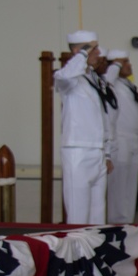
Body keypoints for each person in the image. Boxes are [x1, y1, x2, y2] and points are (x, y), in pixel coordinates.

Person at [55, 30, 114, 224]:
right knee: (78, 215)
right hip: (77, 151)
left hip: (96, 151)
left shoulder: (93, 80)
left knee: (98, 214)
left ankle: (95, 252)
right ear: (78, 51)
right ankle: (78, 254)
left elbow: (102, 119)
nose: (98, 53)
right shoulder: (69, 80)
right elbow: (63, 76)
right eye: (93, 48)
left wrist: (106, 153)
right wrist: (82, 54)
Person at [103, 49, 138, 223]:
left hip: (134, 139)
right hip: (120, 139)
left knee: (130, 184)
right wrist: (115, 66)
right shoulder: (110, 83)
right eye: (123, 62)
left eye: (127, 61)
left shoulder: (126, 84)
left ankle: (127, 221)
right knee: (119, 186)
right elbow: (107, 80)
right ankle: (117, 221)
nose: (128, 65)